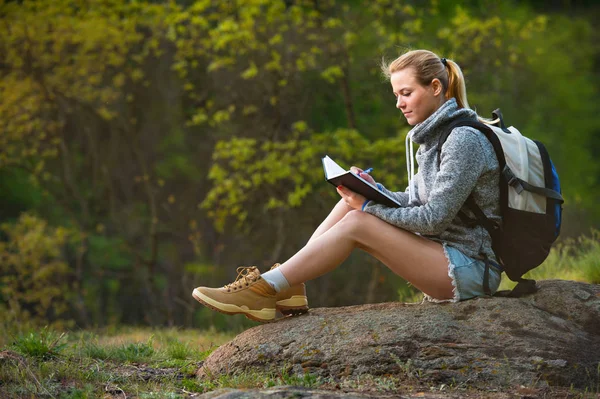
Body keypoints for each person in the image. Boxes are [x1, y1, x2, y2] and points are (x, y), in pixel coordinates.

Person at [192, 49, 503, 322]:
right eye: (396, 95)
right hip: (440, 253)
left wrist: (369, 207)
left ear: (435, 87)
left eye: (406, 93)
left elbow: (433, 218)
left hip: (470, 268)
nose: (398, 103)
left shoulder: (464, 139)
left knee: (358, 220)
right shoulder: (433, 138)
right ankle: (288, 285)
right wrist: (371, 189)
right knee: (349, 202)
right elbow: (416, 200)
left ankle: (268, 287)